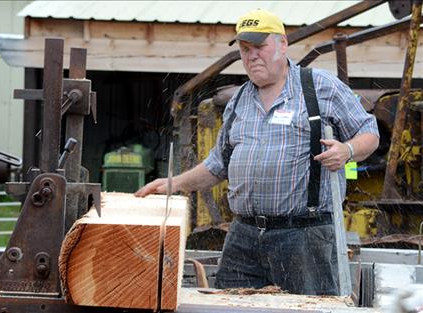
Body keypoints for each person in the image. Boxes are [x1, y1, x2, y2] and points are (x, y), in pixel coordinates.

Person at [135, 9, 379, 295]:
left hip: (303, 236)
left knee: (306, 308)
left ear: (283, 44)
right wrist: (173, 184)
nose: (251, 56)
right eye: (245, 49)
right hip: (243, 236)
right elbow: (217, 165)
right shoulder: (238, 100)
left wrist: (347, 150)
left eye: (260, 47)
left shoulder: (319, 87)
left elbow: (369, 133)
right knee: (230, 306)